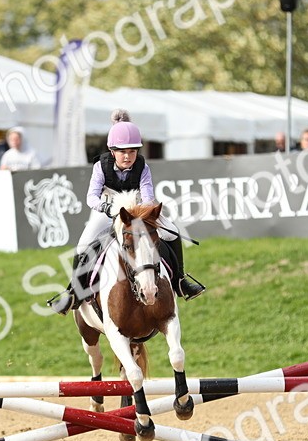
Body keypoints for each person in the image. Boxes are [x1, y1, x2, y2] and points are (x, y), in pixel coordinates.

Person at [48, 110, 205, 314]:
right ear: (112, 151)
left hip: (135, 211)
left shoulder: (143, 167)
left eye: (132, 152)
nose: (128, 156)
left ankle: (181, 282)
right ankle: (74, 294)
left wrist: (143, 212)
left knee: (171, 231)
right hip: (107, 210)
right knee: (83, 244)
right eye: (122, 152)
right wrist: (106, 207)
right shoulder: (100, 166)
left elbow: (148, 198)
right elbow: (91, 198)